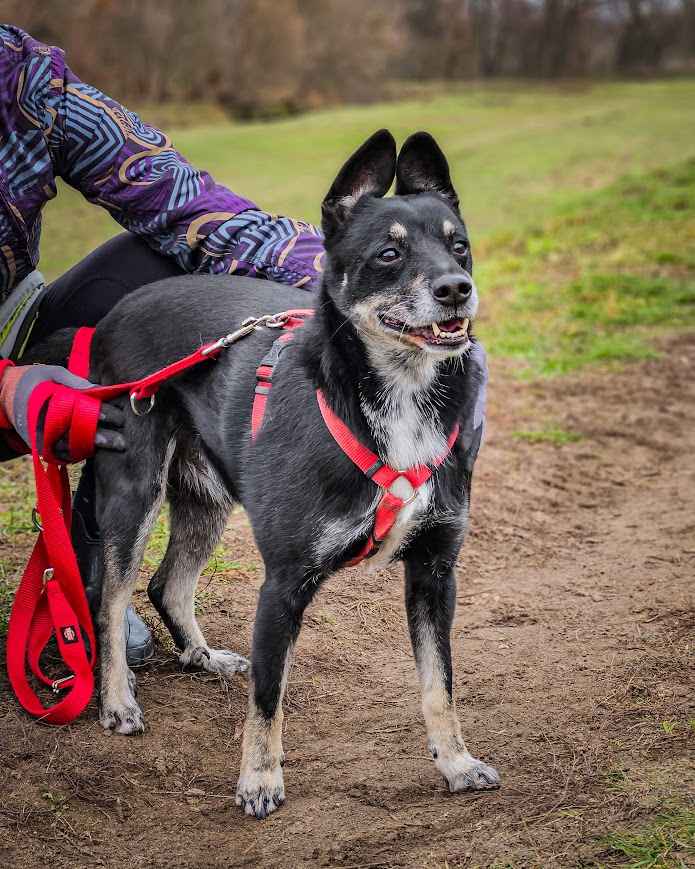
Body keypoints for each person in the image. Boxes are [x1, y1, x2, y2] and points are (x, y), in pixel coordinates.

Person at [0, 24, 325, 666]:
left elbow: (189, 206)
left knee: (176, 270)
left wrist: (357, 286)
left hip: (12, 329)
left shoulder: (24, 82)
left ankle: (91, 594)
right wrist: (6, 389)